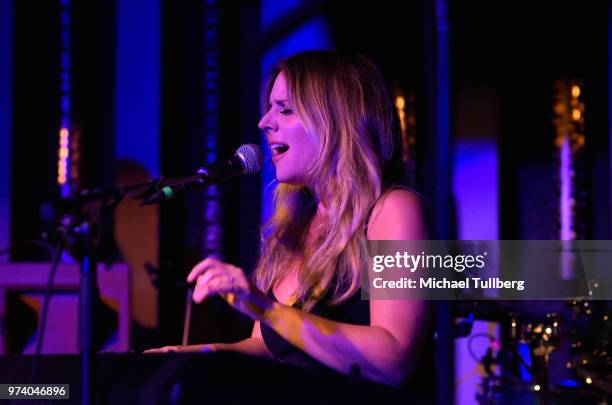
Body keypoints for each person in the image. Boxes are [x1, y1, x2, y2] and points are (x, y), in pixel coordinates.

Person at [146, 50, 432, 389]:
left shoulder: (394, 208)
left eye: (285, 109)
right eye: (269, 108)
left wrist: (266, 308)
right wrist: (191, 356)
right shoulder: (298, 224)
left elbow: (394, 358)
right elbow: (267, 347)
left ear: (335, 121)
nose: (264, 122)